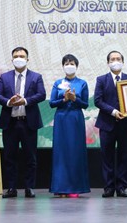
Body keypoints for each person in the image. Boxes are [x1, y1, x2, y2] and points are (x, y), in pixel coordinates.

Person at [0, 47, 46, 198]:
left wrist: (26, 101)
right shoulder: (5, 77)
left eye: (22, 56)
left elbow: (41, 94)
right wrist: (9, 102)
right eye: (16, 56)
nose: (19, 58)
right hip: (10, 122)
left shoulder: (36, 77)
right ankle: (11, 188)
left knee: (31, 157)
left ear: (27, 59)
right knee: (10, 157)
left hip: (28, 122)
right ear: (12, 59)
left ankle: (29, 187)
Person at [49, 54, 90, 198]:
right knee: (61, 153)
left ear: (76, 66)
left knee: (75, 151)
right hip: (61, 119)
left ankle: (75, 187)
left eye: (72, 63)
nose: (69, 65)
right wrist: (64, 99)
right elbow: (51, 103)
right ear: (63, 66)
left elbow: (85, 104)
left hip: (75, 119)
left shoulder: (82, 83)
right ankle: (60, 188)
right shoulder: (58, 82)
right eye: (66, 63)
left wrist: (75, 99)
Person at [94, 51, 127, 198]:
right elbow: (98, 101)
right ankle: (109, 187)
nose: (115, 61)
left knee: (124, 156)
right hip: (107, 124)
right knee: (107, 157)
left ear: (123, 62)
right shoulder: (101, 80)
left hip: (126, 124)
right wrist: (113, 111)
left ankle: (122, 187)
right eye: (112, 59)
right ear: (108, 62)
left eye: (118, 59)